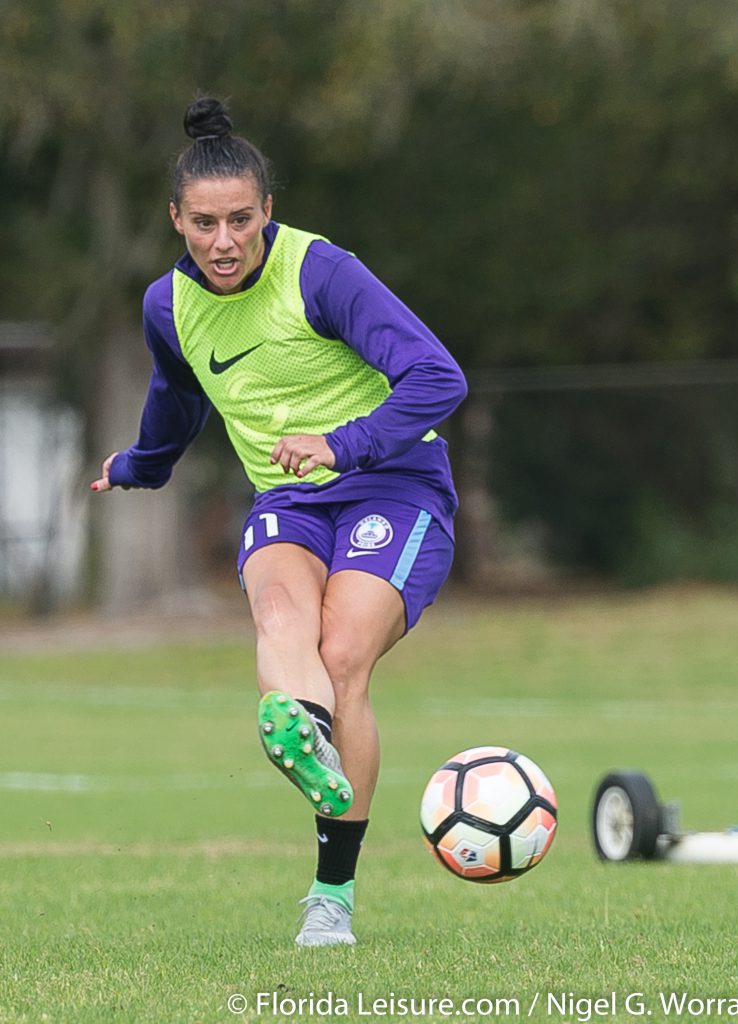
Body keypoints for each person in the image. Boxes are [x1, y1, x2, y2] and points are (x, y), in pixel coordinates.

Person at [91, 96, 467, 947]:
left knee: (342, 653)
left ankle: (331, 895)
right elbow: (176, 399)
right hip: (288, 500)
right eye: (203, 224)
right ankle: (303, 730)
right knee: (279, 613)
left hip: (394, 485)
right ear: (176, 220)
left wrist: (343, 443)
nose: (222, 242)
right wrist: (139, 465)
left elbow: (438, 378)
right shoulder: (167, 307)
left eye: (239, 220)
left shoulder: (320, 274)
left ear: (268, 213)